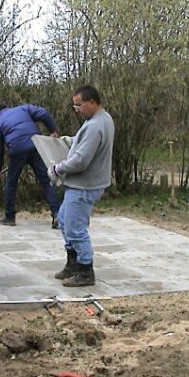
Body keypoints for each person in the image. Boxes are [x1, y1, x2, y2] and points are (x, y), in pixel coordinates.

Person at [48, 85, 114, 287]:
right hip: (83, 185)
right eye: (74, 106)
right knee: (63, 220)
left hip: (84, 186)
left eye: (79, 105)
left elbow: (81, 160)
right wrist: (67, 141)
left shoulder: (95, 125)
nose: (76, 109)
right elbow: (83, 142)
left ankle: (86, 271)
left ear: (92, 102)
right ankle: (73, 262)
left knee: (76, 229)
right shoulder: (101, 120)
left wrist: (58, 169)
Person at [0, 101, 61, 228]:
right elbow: (43, 113)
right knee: (46, 180)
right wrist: (53, 130)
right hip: (36, 145)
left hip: (17, 150)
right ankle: (57, 214)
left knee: (11, 183)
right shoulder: (23, 109)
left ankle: (10, 217)